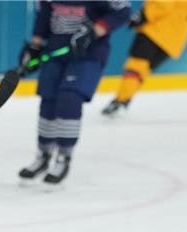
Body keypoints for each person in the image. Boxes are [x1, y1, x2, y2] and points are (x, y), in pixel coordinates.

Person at [17, 0, 131, 185]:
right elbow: (44, 14)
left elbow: (122, 11)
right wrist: (35, 46)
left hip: (88, 55)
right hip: (55, 52)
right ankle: (43, 155)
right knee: (48, 101)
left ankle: (63, 156)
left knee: (70, 99)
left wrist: (94, 31)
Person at [102, 0, 187, 116]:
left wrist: (143, 15)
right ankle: (125, 97)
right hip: (175, 39)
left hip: (155, 30)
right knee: (144, 70)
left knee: (135, 67)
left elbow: (163, 4)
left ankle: (121, 99)